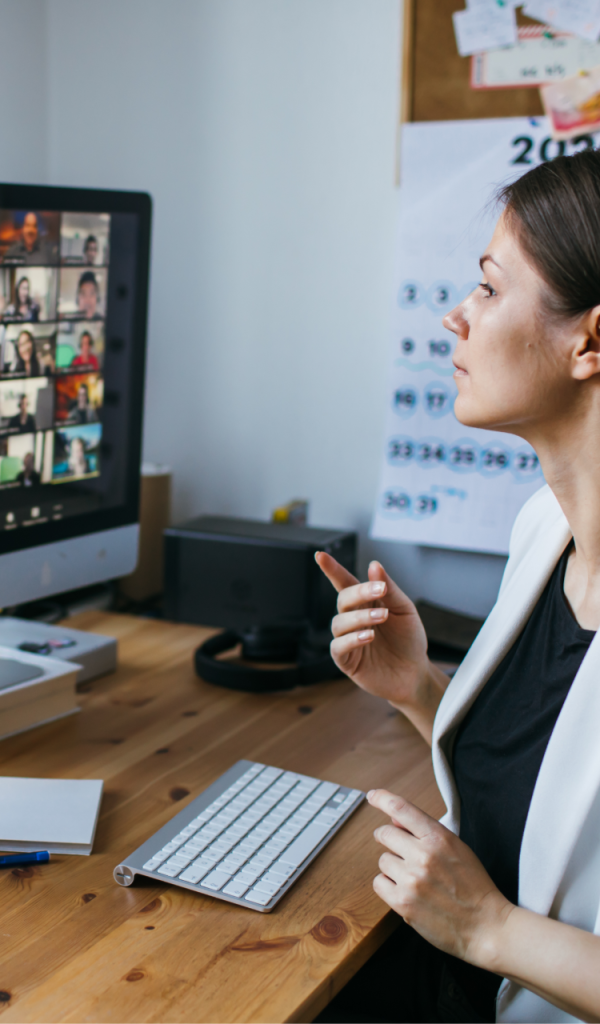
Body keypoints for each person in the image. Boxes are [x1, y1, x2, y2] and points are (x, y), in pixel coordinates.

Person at [315, 152, 600, 1024]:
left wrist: (489, 929)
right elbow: (544, 777)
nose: (454, 318)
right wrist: (420, 689)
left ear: (589, 342)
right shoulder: (543, 530)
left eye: (487, 288)